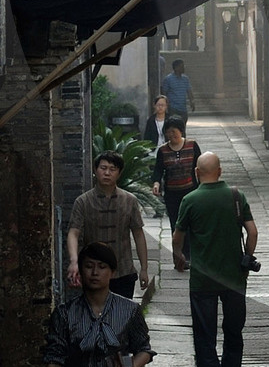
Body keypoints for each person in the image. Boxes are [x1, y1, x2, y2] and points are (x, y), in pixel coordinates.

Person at [172, 150, 256, 367]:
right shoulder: (236, 196)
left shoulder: (190, 200)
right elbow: (252, 232)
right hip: (234, 278)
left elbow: (178, 237)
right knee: (233, 333)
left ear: (196, 173)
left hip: (202, 281)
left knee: (205, 337)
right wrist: (247, 258)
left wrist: (179, 257)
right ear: (220, 171)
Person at [66, 149, 150, 299]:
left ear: (119, 173)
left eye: (112, 169)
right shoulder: (83, 201)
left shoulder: (129, 200)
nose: (107, 173)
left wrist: (144, 268)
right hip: (93, 272)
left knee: (121, 311)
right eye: (103, 168)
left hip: (123, 270)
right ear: (95, 170)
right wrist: (74, 261)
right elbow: (73, 232)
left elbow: (138, 234)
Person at [150, 120, 201, 231]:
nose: (171, 135)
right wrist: (156, 184)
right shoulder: (162, 150)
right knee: (175, 224)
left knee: (192, 223)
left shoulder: (192, 145)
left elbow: (200, 167)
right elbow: (158, 170)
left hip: (191, 192)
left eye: (173, 131)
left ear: (181, 131)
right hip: (171, 195)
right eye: (168, 132)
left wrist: (202, 187)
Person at [162, 57, 194, 125]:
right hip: (173, 108)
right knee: (174, 126)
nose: (184, 68)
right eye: (182, 66)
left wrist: (192, 101)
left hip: (183, 108)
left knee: (182, 126)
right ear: (176, 68)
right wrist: (165, 106)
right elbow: (164, 93)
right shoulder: (168, 79)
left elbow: (189, 91)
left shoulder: (185, 79)